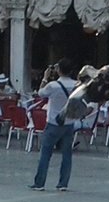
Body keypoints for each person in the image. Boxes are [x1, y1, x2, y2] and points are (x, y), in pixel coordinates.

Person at [29, 59, 78, 192]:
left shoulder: (53, 85)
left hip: (53, 122)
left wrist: (45, 78)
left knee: (45, 153)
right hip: (69, 122)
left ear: (58, 70)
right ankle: (63, 183)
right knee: (67, 154)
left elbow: (40, 93)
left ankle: (39, 183)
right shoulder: (76, 85)